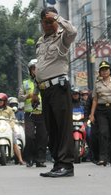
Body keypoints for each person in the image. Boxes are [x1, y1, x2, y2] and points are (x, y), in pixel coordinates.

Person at [35, 6, 77, 177]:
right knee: (51, 128)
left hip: (59, 87)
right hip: (45, 89)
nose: (49, 25)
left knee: (63, 127)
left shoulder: (63, 37)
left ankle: (67, 165)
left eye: (51, 21)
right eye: (46, 22)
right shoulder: (40, 41)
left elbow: (73, 31)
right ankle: (57, 163)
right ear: (41, 23)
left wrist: (57, 18)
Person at [18, 59, 48, 168]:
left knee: (42, 137)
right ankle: (29, 158)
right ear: (30, 71)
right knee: (30, 136)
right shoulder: (25, 84)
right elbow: (19, 98)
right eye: (33, 69)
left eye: (37, 68)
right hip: (30, 114)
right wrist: (28, 96)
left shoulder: (44, 82)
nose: (35, 71)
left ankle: (40, 160)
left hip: (42, 113)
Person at [0, 93, 25, 165]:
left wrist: (11, 127)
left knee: (15, 143)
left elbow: (12, 119)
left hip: (7, 129)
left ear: (5, 101)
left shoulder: (10, 110)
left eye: (1, 100)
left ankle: (20, 160)